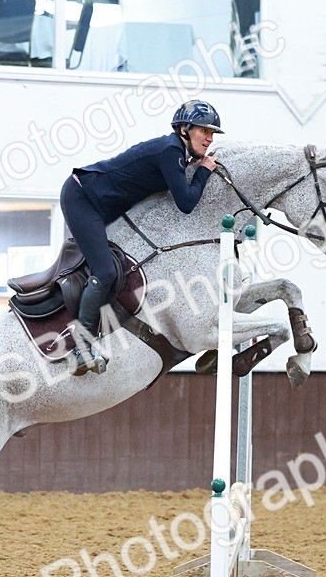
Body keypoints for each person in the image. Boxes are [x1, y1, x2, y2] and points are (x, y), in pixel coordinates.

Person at [61, 99, 222, 375]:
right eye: (204, 131)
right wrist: (205, 171)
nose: (209, 138)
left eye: (212, 134)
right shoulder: (171, 151)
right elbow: (186, 203)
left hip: (97, 204)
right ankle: (81, 348)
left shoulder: (178, 153)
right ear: (184, 129)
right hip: (82, 198)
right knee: (105, 271)